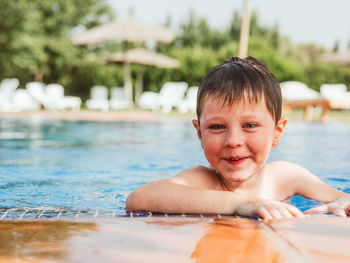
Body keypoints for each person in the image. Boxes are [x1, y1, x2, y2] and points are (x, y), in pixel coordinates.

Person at [126, 56, 350, 220]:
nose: (233, 141)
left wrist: (338, 205)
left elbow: (340, 198)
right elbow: (139, 198)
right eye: (217, 127)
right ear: (199, 133)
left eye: (250, 125)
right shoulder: (203, 180)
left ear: (277, 132)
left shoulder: (285, 177)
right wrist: (240, 203)